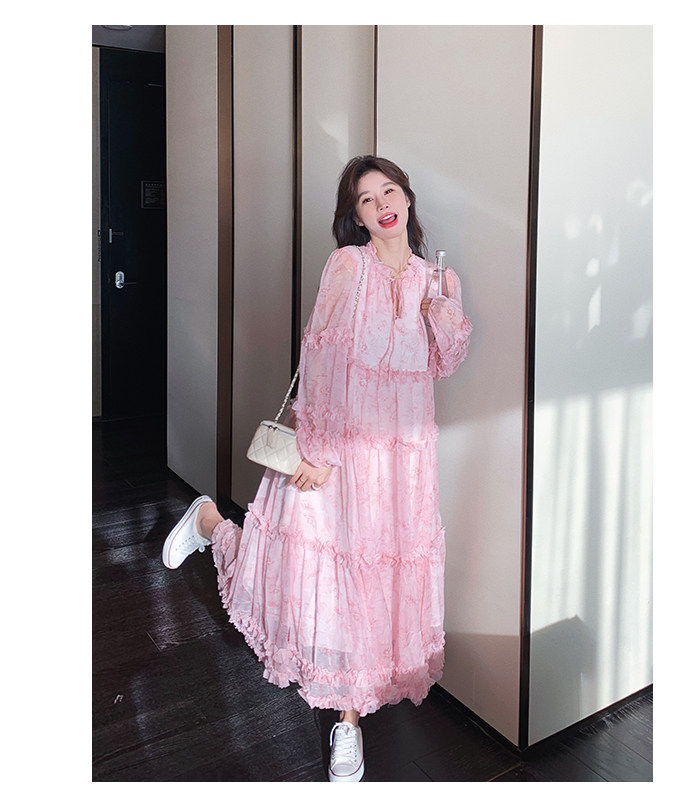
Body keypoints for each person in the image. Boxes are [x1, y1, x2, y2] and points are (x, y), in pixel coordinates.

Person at [161, 155, 472, 782]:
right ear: (356, 216)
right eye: (366, 199)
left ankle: (347, 718)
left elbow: (442, 364)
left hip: (401, 463)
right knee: (295, 571)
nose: (382, 204)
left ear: (407, 198)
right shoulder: (347, 266)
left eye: (389, 191)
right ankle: (212, 523)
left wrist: (444, 308)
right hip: (335, 450)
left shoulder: (434, 277)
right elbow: (322, 358)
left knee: (369, 584)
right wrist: (320, 453)